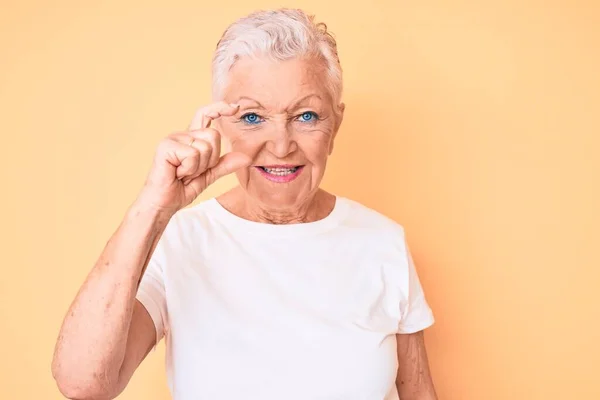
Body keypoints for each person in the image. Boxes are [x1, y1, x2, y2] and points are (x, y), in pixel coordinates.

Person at [51, 8, 438, 400]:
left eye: (306, 115)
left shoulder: (382, 241)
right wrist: (153, 207)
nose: (282, 145)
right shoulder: (180, 240)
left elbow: (418, 393)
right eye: (252, 117)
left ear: (334, 126)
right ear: (218, 126)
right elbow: (84, 382)